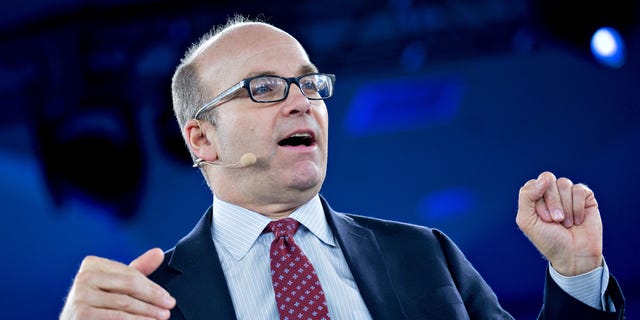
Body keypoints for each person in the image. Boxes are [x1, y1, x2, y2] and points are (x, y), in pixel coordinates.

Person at [59, 15, 625, 320]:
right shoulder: (142, 302)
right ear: (201, 138)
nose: (301, 100)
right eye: (264, 88)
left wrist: (576, 275)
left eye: (309, 84)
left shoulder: (425, 255)